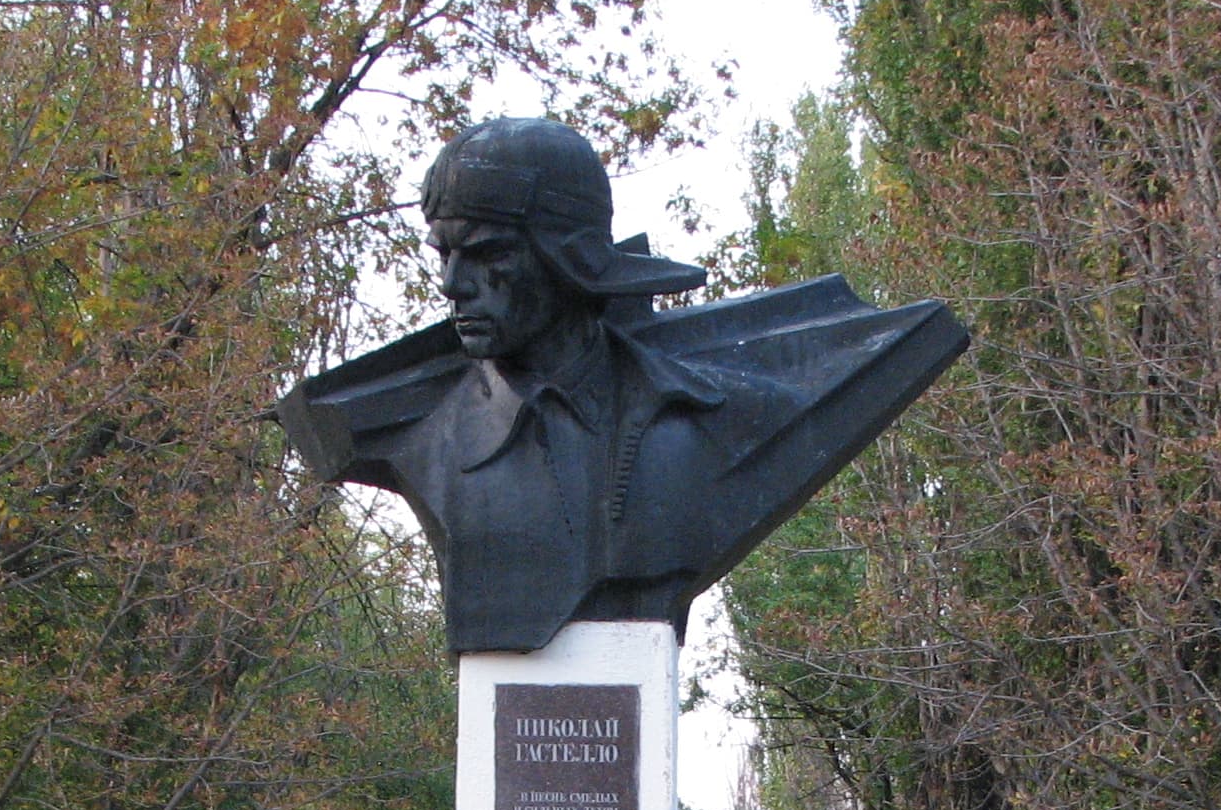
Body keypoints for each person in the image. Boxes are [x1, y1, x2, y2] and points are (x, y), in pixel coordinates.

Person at [279, 116, 966, 655]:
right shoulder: (426, 443)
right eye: (444, 253)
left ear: (566, 260)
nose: (453, 285)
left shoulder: (721, 413)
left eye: (487, 255)